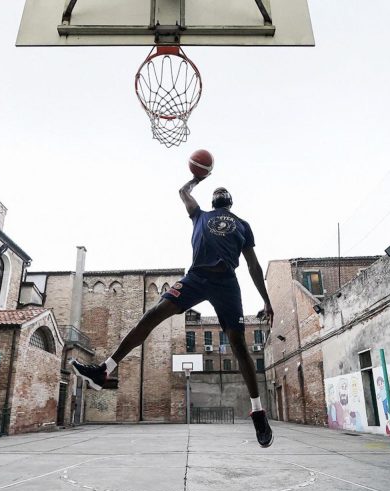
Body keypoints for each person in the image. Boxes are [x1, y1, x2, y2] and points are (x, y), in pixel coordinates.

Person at [71, 175, 275, 447]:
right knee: (153, 314)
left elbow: (253, 266)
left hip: (227, 283)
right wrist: (196, 179)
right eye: (216, 189)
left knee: (238, 344)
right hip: (196, 278)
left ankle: (258, 411)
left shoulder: (243, 225)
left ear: (229, 201)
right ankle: (104, 370)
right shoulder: (199, 215)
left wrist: (266, 299)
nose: (220, 190)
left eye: (223, 190)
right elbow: (182, 191)